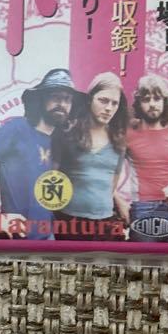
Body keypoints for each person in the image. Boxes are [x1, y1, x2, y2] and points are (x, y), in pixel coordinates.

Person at [0, 68, 82, 240]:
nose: (62, 104)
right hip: (16, 238)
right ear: (41, 98)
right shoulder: (17, 129)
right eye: (56, 96)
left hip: (49, 238)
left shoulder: (62, 141)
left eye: (68, 99)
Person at [51, 71, 129, 241]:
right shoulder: (68, 133)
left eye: (114, 103)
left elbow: (111, 186)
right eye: (103, 100)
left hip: (105, 223)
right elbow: (52, 179)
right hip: (69, 221)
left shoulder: (119, 141)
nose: (109, 108)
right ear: (90, 100)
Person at [125, 75, 168, 242]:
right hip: (143, 209)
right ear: (139, 104)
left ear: (164, 102)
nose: (152, 104)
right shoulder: (128, 134)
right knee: (145, 258)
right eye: (146, 99)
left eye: (157, 99)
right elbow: (110, 168)